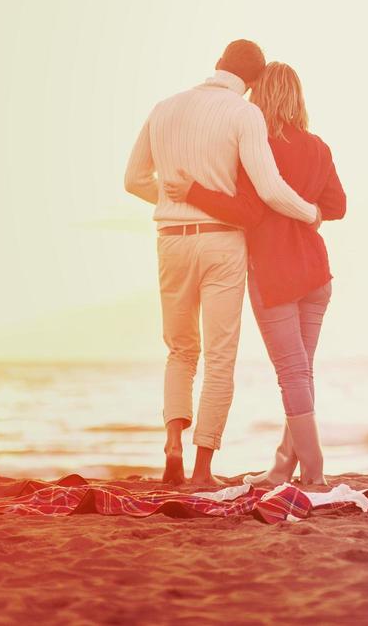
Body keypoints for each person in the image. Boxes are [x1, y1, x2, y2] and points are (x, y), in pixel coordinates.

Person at [124, 40, 321, 487]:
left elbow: (133, 179)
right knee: (219, 357)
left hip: (170, 239)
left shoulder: (164, 107)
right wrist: (310, 213)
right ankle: (201, 470)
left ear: (217, 65)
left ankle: (172, 443)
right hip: (221, 243)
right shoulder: (244, 113)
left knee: (179, 350)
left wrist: (174, 200)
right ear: (251, 83)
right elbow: (269, 190)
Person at [161, 62, 346, 490]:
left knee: (293, 374)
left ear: (261, 97)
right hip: (317, 273)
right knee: (303, 372)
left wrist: (192, 192)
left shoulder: (257, 147)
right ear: (298, 98)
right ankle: (284, 464)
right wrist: (309, 209)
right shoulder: (318, 146)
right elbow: (337, 206)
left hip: (275, 275)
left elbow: (247, 210)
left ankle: (313, 472)